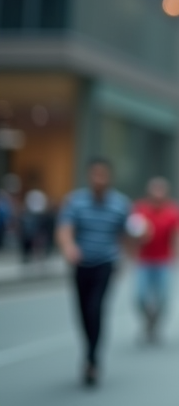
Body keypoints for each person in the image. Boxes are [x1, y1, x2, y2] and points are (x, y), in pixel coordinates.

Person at [55, 158, 132, 387]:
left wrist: (130, 251)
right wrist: (69, 247)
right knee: (82, 312)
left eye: (103, 175)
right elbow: (64, 229)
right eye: (94, 175)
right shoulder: (76, 202)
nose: (98, 179)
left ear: (109, 177)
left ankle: (92, 359)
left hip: (106, 262)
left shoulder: (120, 204)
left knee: (95, 308)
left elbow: (128, 231)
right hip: (81, 263)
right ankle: (88, 350)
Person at [130, 177, 179, 344]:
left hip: (164, 261)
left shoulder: (173, 211)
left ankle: (154, 324)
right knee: (140, 297)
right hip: (144, 261)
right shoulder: (140, 209)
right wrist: (138, 237)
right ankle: (148, 320)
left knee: (163, 298)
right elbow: (131, 232)